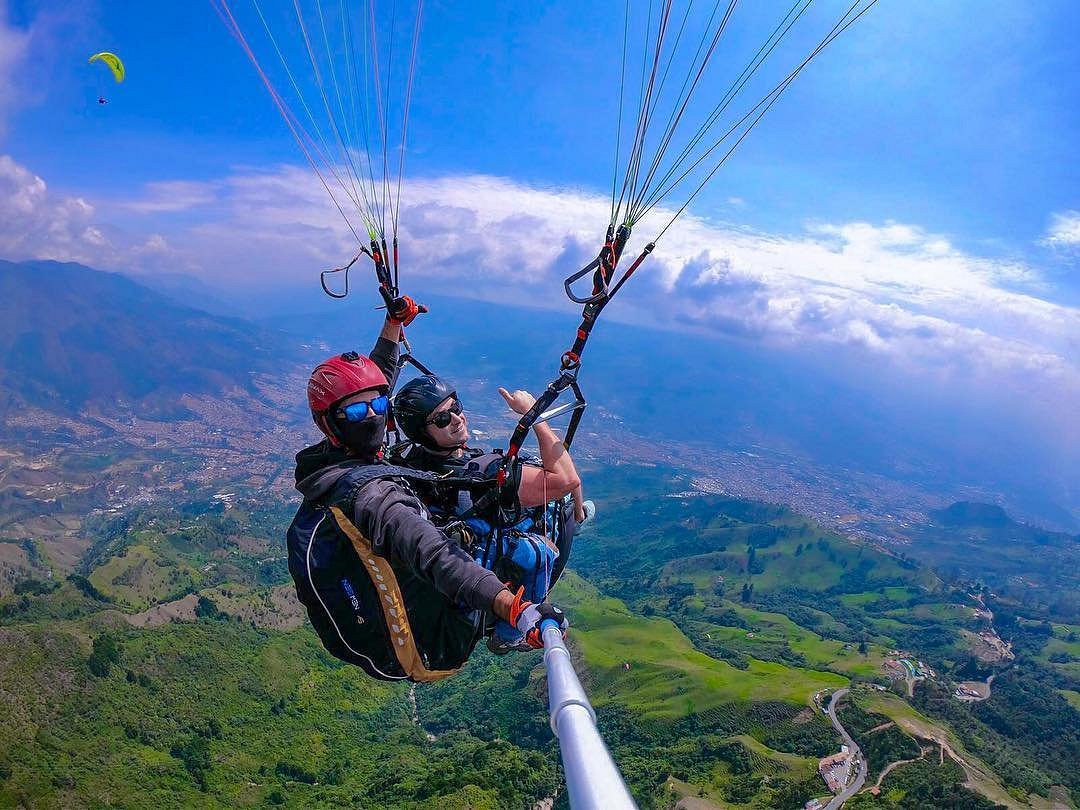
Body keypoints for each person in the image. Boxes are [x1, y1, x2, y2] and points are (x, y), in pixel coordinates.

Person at [285, 297, 567, 682]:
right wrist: (515, 610)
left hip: (397, 609)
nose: (371, 415)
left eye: (379, 404)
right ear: (329, 423)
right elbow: (435, 554)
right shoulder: (373, 497)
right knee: (530, 549)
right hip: (431, 644)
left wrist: (392, 326)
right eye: (355, 412)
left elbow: (373, 381)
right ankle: (506, 637)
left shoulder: (332, 454)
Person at [392, 374, 591, 653]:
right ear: (422, 431)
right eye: (441, 419)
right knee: (548, 542)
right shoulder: (482, 473)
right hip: (483, 556)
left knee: (566, 506)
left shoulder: (411, 462)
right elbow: (567, 481)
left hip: (459, 543)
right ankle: (510, 634)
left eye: (456, 407)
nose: (457, 419)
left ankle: (580, 516)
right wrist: (535, 416)